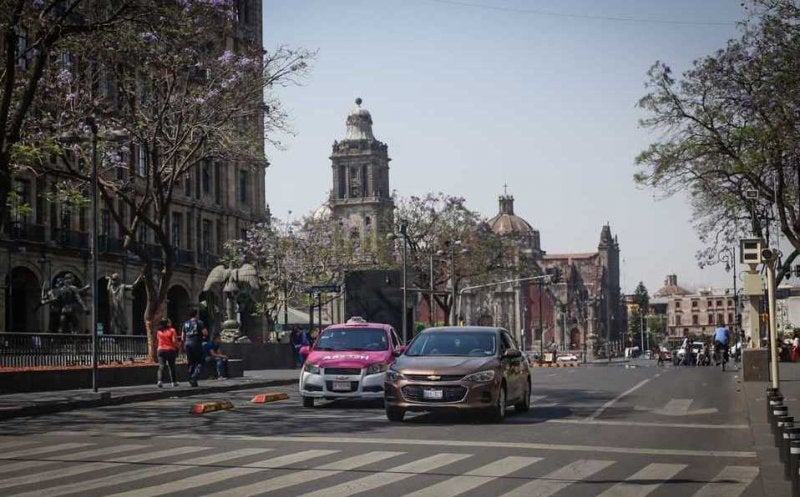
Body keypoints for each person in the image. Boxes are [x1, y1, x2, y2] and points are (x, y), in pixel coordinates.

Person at [181, 310, 207, 387]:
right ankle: (194, 376)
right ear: (196, 315)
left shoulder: (185, 323)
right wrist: (203, 337)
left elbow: (182, 337)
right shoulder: (199, 322)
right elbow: (205, 333)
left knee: (191, 362)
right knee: (201, 361)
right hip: (196, 343)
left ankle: (191, 378)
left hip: (187, 344)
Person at [156, 319, 180, 387]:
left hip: (160, 350)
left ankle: (160, 381)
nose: (171, 323)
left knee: (161, 366)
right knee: (171, 366)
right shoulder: (172, 330)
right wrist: (178, 347)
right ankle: (173, 382)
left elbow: (158, 339)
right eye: (169, 322)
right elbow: (174, 341)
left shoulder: (159, 331)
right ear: (167, 323)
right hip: (170, 350)